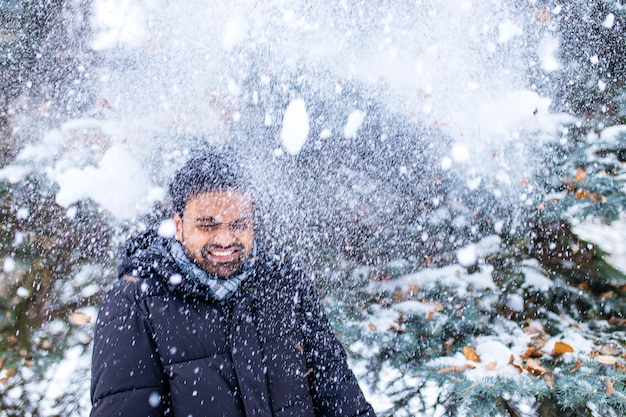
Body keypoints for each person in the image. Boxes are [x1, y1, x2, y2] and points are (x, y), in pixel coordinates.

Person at [90, 152, 376, 417]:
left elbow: (342, 396)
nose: (226, 240)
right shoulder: (136, 301)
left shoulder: (284, 283)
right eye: (207, 225)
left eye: (239, 224)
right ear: (178, 226)